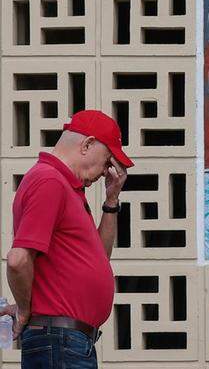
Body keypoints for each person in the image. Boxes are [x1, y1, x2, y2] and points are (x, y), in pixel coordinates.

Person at [4, 110, 132, 369]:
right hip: (59, 341)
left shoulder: (66, 187)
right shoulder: (49, 181)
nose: (106, 171)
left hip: (68, 341)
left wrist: (111, 201)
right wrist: (24, 309)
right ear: (87, 145)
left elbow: (100, 258)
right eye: (107, 159)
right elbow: (18, 260)